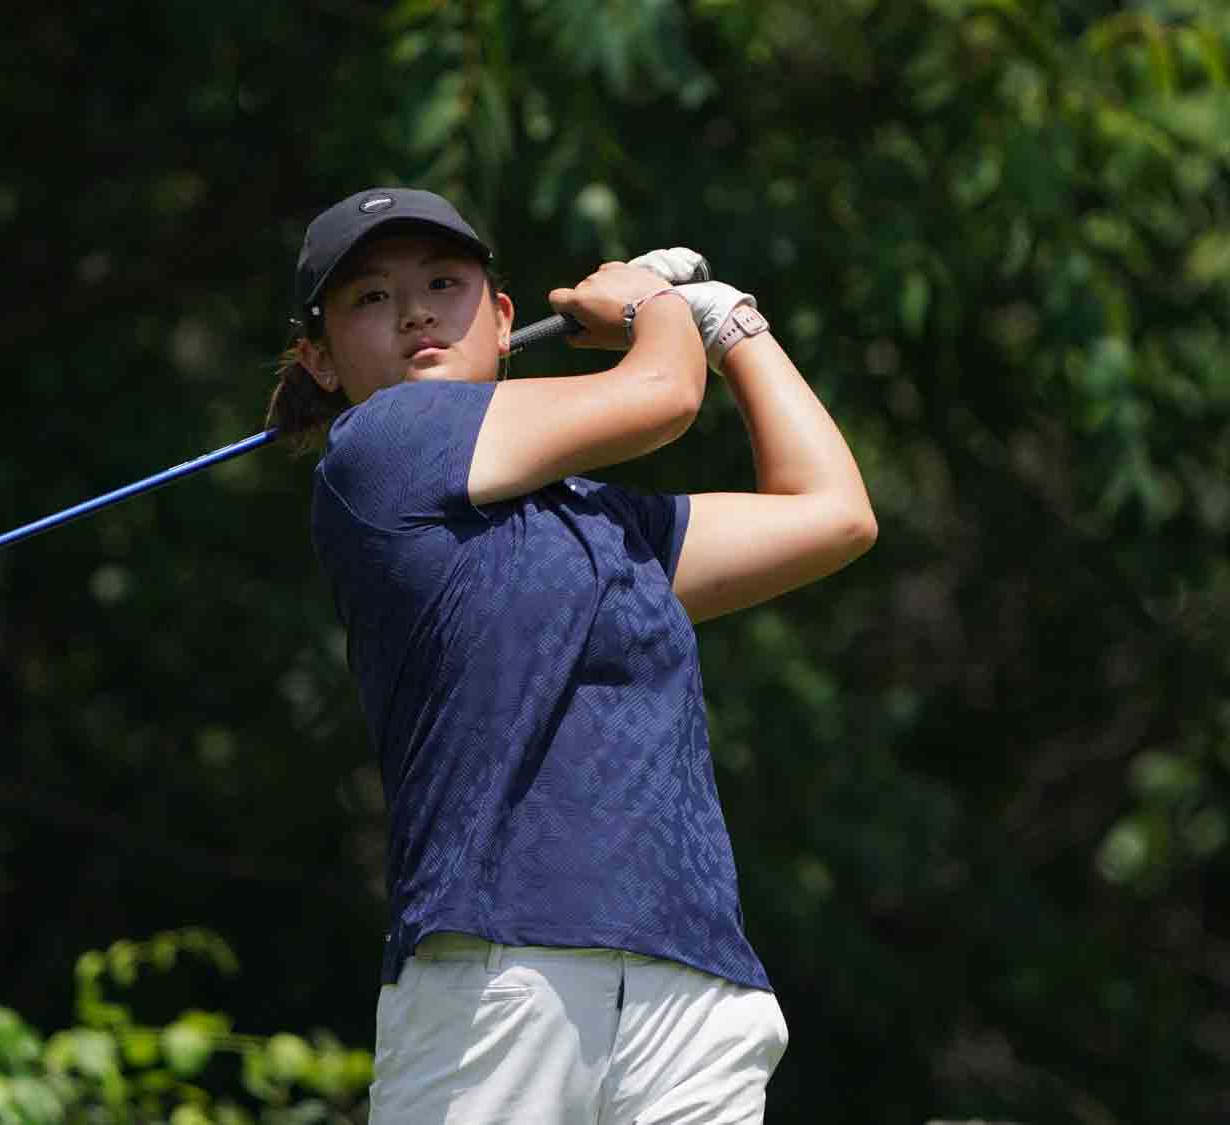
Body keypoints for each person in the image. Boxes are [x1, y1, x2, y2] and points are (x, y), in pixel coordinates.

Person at [265, 187, 876, 1124]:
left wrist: (732, 325)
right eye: (370, 299)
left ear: (504, 322)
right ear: (320, 359)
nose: (418, 311)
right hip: (501, 969)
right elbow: (663, 395)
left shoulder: (599, 522)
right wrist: (653, 309)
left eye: (443, 281)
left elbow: (832, 514)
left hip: (693, 978)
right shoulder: (378, 447)